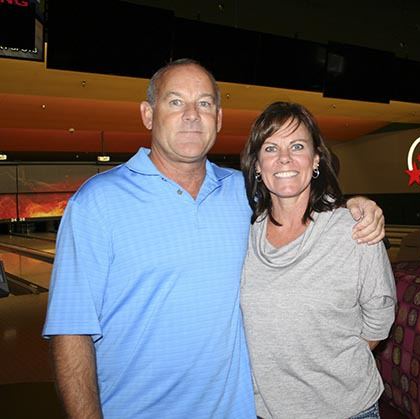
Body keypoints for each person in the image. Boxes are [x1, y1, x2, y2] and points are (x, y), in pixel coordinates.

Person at [43, 59, 385, 419]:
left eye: (204, 103)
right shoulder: (97, 202)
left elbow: (295, 196)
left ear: (218, 119)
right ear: (148, 114)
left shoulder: (242, 192)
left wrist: (354, 206)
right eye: (175, 102)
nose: (192, 115)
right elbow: (71, 331)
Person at [240, 102, 396, 418]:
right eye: (271, 148)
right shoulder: (241, 233)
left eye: (297, 146)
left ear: (315, 161)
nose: (284, 158)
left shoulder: (352, 230)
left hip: (346, 410)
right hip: (266, 412)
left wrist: (328, 368)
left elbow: (380, 319)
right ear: (257, 164)